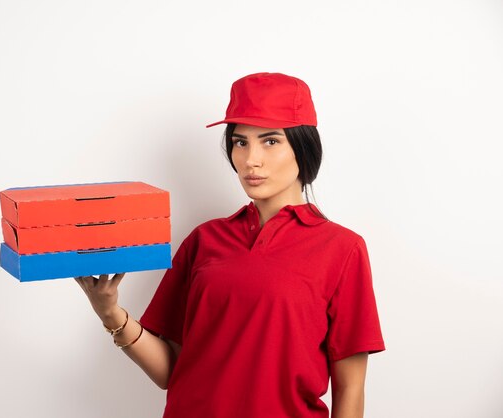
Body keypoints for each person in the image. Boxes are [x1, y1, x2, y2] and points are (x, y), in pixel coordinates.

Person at [75, 72, 386, 418]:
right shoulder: (204, 240)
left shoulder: (342, 250)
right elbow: (171, 371)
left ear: (303, 146)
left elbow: (351, 388)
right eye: (240, 142)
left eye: (270, 141)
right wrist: (110, 312)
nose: (251, 159)